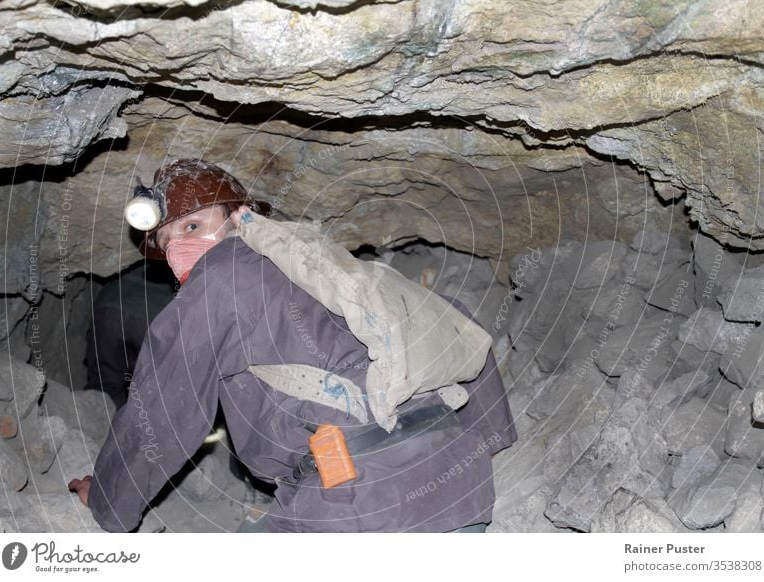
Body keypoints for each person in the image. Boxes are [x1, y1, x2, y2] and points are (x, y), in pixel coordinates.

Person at [69, 158, 516, 532]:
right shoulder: (324, 265)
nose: (180, 248)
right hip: (461, 488)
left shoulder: (220, 277)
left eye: (192, 225)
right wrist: (488, 441)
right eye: (168, 244)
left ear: (239, 215)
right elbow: (449, 320)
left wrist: (109, 500)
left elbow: (163, 406)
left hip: (357, 506)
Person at [83, 262, 175, 408]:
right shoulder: (180, 256)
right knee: (155, 393)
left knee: (104, 385)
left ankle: (94, 427)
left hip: (109, 308)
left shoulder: (129, 252)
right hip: (151, 316)